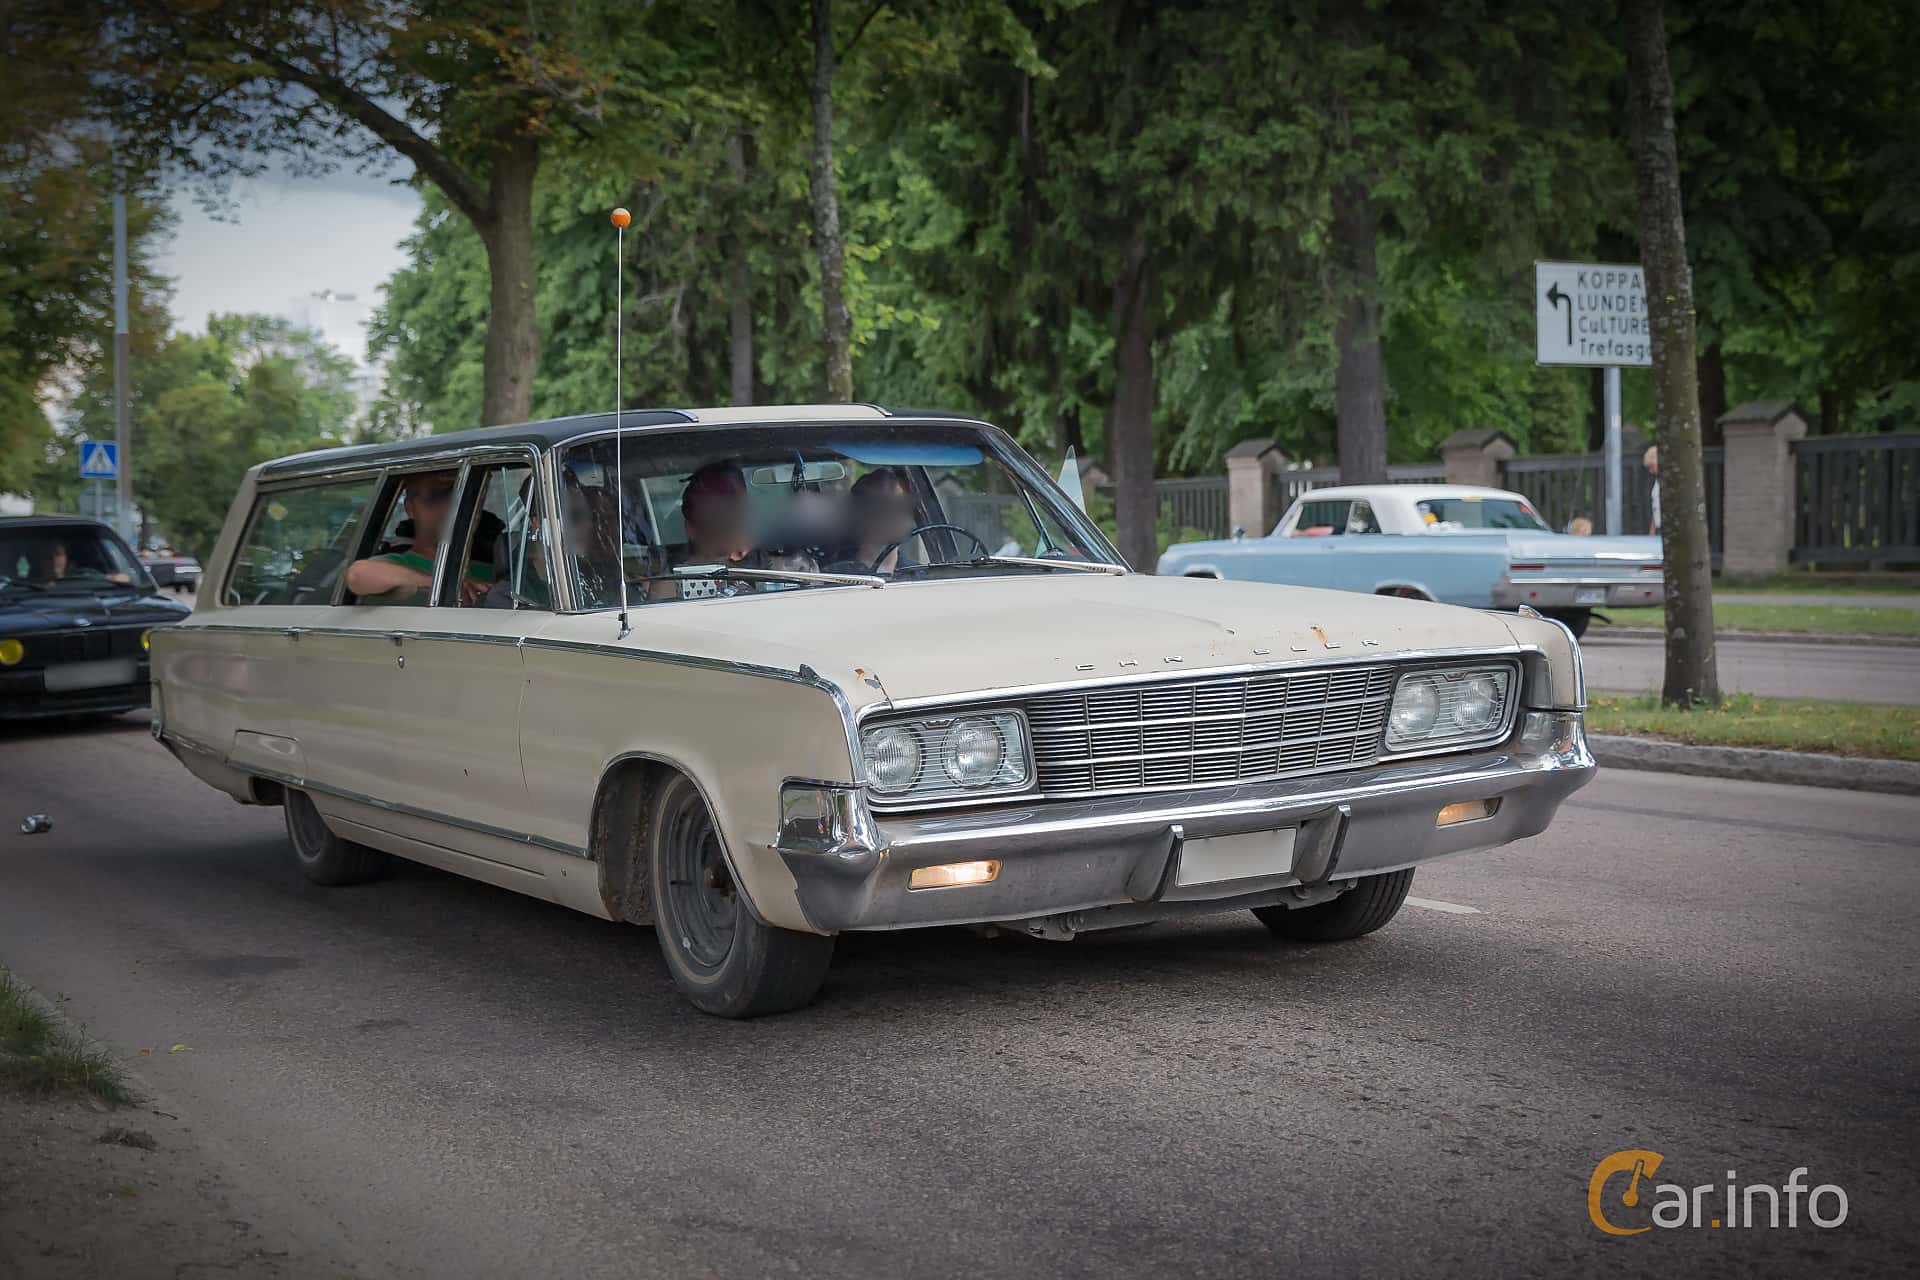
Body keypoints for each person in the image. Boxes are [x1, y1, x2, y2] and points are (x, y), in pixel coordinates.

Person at [345, 471, 492, 605]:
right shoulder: (399, 564)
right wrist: (440, 585)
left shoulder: (501, 571)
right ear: (410, 509)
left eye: (463, 499)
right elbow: (357, 575)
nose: (450, 507)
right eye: (434, 498)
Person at [832, 468, 919, 574]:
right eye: (887, 505)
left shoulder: (923, 576)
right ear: (861, 513)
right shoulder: (835, 577)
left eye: (904, 504)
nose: (900, 513)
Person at [1644, 445, 1661, 536]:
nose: (1651, 471)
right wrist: (1652, 530)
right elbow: (1656, 508)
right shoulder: (1657, 482)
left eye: (1651, 466)